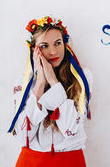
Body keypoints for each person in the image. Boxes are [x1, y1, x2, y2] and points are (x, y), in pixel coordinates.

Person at [7, 16, 93, 167]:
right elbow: (24, 137)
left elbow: (70, 129)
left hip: (70, 161)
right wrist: (40, 83)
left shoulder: (81, 77)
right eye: (44, 46)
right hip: (31, 161)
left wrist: (54, 82)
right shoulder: (24, 82)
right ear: (34, 50)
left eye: (58, 43)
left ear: (65, 44)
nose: (53, 51)